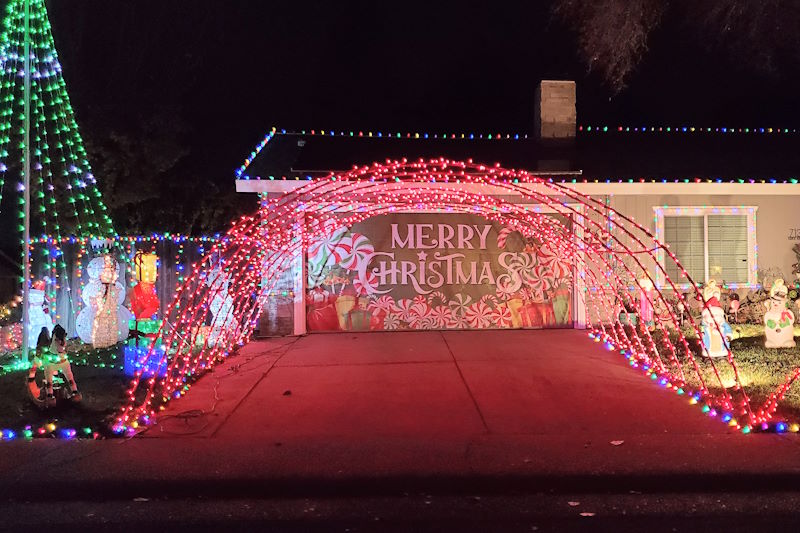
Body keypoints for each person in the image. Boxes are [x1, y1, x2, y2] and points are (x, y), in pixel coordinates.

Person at [43, 324, 81, 406]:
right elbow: (62, 348)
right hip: (61, 360)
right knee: (69, 376)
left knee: (49, 377)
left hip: (53, 361)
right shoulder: (60, 340)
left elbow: (61, 348)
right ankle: (74, 391)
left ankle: (50, 395)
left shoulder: (57, 339)